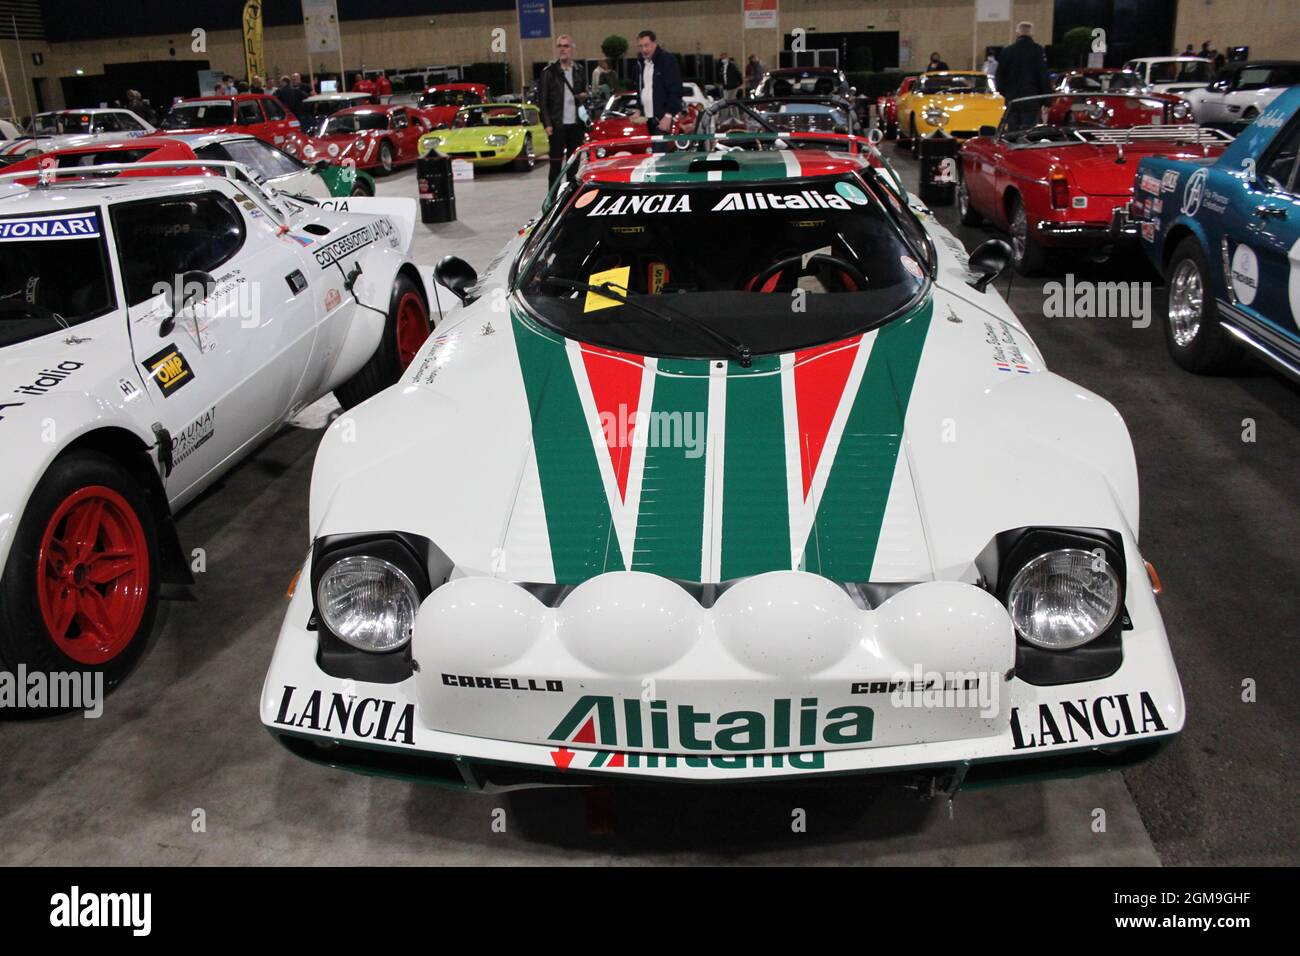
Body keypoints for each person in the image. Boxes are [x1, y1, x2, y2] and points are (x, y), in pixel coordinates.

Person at [538, 34, 589, 184]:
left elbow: (585, 92)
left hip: (576, 126)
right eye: (560, 46)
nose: (562, 49)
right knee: (555, 167)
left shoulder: (579, 70)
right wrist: (547, 124)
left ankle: (568, 201)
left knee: (573, 166)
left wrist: (584, 95)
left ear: (572, 48)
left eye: (566, 46)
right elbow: (542, 100)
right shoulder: (548, 72)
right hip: (556, 126)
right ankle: (552, 202)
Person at [995, 21, 1051, 126]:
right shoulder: (1037, 50)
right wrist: (1046, 100)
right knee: (1027, 131)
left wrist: (1005, 93)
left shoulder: (1007, 51)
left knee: (1012, 130)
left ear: (1017, 33)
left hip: (1013, 99)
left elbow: (999, 75)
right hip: (1031, 99)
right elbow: (1043, 75)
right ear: (1031, 33)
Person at [636, 30, 683, 134]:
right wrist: (639, 109)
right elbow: (641, 88)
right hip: (646, 120)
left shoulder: (668, 60)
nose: (644, 49)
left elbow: (676, 90)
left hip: (663, 120)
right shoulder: (641, 63)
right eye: (641, 46)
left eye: (646, 45)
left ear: (654, 43)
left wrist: (668, 115)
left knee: (660, 149)